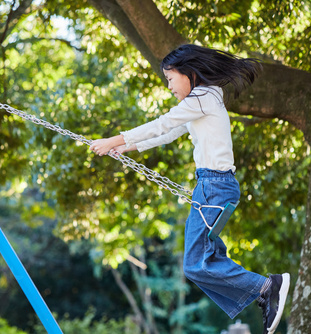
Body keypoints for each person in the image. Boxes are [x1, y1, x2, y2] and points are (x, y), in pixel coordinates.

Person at [89, 44, 290, 334]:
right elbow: (170, 132)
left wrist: (112, 140)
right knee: (207, 259)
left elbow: (163, 123)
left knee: (195, 265)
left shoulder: (202, 97)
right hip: (214, 188)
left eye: (171, 78)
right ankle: (263, 292)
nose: (169, 86)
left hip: (213, 187)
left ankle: (267, 287)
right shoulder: (206, 100)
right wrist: (126, 146)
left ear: (189, 74)